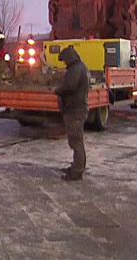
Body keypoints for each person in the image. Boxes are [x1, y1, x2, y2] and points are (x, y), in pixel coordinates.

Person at [53, 46, 90, 181]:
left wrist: (57, 90)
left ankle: (77, 171)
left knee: (76, 141)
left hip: (75, 109)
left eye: (65, 60)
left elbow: (69, 87)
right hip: (77, 108)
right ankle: (76, 166)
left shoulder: (75, 69)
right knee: (76, 140)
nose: (65, 63)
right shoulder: (80, 67)